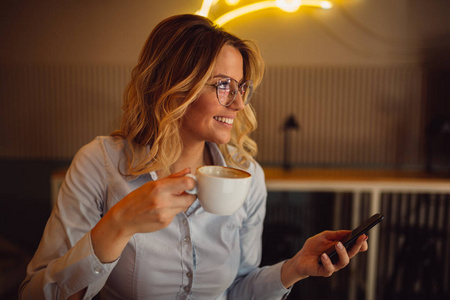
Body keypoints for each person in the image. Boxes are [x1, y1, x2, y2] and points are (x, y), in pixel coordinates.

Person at [19, 14, 368, 300]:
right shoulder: (99, 163)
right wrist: (119, 225)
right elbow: (34, 293)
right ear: (174, 86)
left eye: (241, 86)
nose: (239, 103)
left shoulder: (247, 175)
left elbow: (237, 290)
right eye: (223, 85)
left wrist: (294, 268)